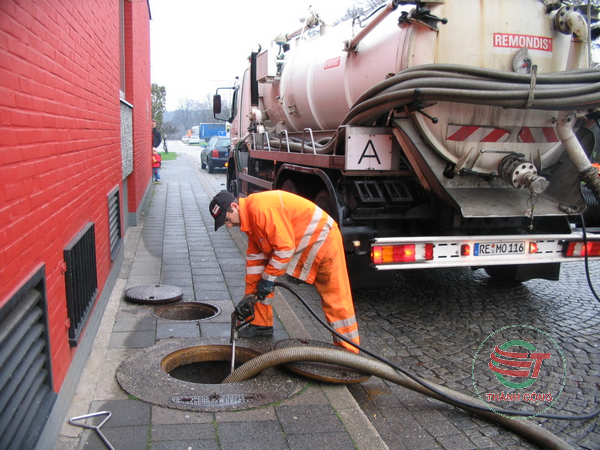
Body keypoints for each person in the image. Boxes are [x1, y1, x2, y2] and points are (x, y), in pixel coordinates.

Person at [209, 190, 360, 353]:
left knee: (336, 298)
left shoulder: (261, 210)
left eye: (227, 220)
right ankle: (261, 324)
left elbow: (284, 250)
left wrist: (268, 280)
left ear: (234, 206)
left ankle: (349, 352)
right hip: (306, 242)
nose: (230, 226)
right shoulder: (250, 220)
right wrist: (248, 298)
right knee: (260, 278)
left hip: (324, 241)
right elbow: (255, 264)